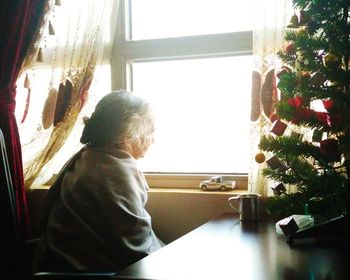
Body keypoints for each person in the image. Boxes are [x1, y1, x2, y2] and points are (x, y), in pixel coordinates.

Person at [32, 90, 164, 272]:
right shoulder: (113, 173)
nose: (153, 139)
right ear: (129, 134)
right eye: (149, 131)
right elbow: (136, 253)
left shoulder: (89, 156)